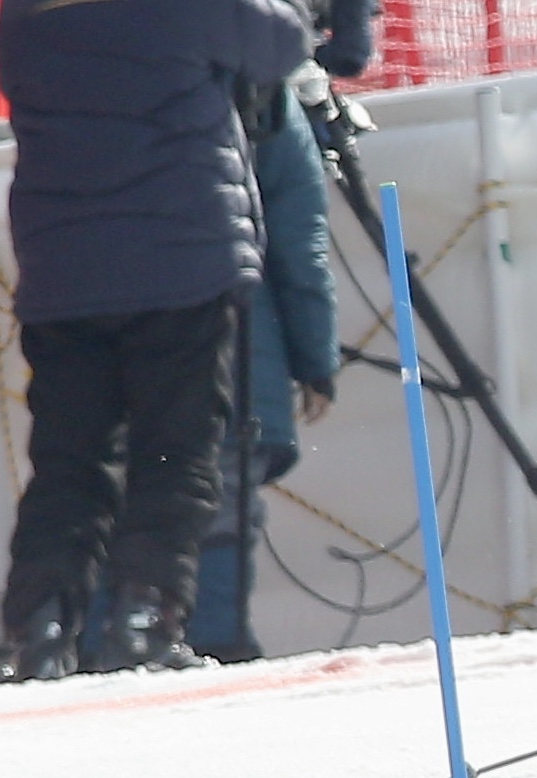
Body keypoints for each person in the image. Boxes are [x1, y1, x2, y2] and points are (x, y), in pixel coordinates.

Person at [0, 0, 312, 680]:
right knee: (175, 453)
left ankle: (43, 629)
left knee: (68, 460)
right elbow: (283, 43)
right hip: (180, 263)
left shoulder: (23, 17)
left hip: (63, 272)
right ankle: (144, 619)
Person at [183, 59, 341, 663]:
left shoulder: (108, 74)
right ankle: (218, 642)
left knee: (128, 498)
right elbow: (301, 246)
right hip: (241, 351)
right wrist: (315, 359)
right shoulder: (267, 97)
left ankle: (112, 642)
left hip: (112, 345)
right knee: (221, 502)